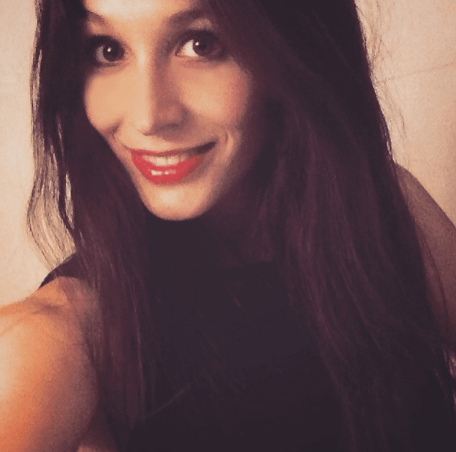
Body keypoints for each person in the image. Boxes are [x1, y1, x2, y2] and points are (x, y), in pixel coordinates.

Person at [1, 0, 456, 451]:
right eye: (108, 50)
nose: (148, 117)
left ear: (295, 50)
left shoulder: (384, 207)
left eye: (201, 44)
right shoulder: (58, 336)